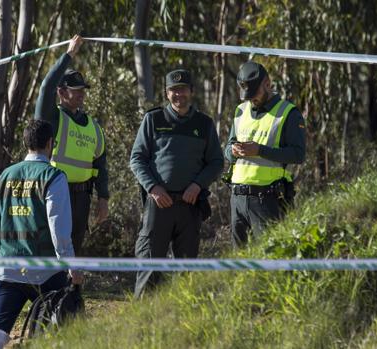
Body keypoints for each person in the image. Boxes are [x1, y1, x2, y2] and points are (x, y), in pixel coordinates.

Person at [0, 120, 83, 349]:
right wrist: (71, 265)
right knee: (57, 327)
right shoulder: (54, 176)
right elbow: (59, 227)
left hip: (7, 268)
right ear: (50, 143)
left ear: (26, 144)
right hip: (45, 271)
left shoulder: (6, 174)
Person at [130, 69, 223, 298]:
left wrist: (197, 185)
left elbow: (216, 162)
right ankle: (142, 323)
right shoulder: (153, 119)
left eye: (182, 89)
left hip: (190, 206)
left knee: (186, 272)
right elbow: (137, 159)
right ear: (166, 93)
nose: (178, 94)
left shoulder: (204, 124)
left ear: (191, 91)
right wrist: (153, 187)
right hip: (159, 205)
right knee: (150, 267)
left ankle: (180, 325)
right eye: (173, 90)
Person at [34, 34, 109, 256]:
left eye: (82, 90)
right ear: (61, 92)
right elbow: (46, 86)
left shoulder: (94, 127)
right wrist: (69, 54)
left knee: (75, 247)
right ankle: (50, 290)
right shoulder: (52, 117)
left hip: (82, 197)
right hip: (57, 193)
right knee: (52, 246)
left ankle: (72, 290)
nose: (80, 95)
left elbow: (100, 166)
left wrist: (103, 198)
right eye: (75, 90)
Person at [224, 61, 306, 246]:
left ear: (267, 84)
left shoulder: (288, 113)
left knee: (270, 259)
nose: (251, 99)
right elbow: (227, 150)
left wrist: (260, 150)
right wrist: (233, 151)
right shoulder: (240, 111)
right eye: (247, 95)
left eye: (254, 93)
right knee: (239, 265)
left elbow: (298, 155)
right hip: (237, 199)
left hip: (267, 200)